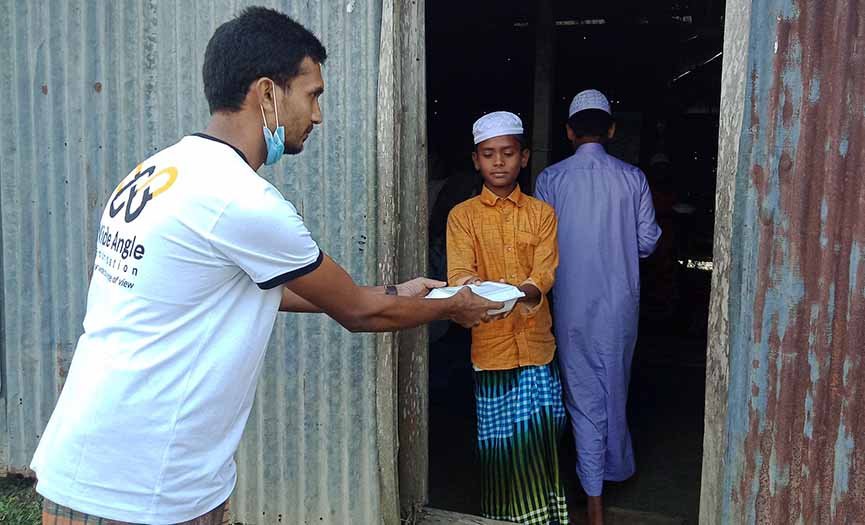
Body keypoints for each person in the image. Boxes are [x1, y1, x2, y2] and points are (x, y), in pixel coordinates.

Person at [30, 7, 499, 525]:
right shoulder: (242, 200)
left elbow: (245, 288)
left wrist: (398, 290)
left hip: (124, 466)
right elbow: (359, 313)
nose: (318, 115)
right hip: (137, 486)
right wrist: (454, 304)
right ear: (267, 93)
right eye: (312, 94)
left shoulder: (158, 170)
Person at [534, 90, 661, 525]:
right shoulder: (633, 178)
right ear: (610, 130)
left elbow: (541, 247)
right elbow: (647, 242)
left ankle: (593, 497)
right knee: (614, 386)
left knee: (582, 395)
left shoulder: (551, 180)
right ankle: (605, 478)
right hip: (620, 306)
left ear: (569, 132)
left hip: (570, 304)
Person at [447, 112, 568, 525]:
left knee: (539, 440)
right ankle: (502, 519)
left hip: (536, 347)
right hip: (492, 349)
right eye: (488, 154)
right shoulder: (462, 216)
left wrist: (520, 291)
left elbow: (544, 274)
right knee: (501, 448)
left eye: (508, 153)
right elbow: (460, 276)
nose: (498, 162)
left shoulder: (542, 214)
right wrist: (484, 293)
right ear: (476, 161)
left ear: (524, 157)